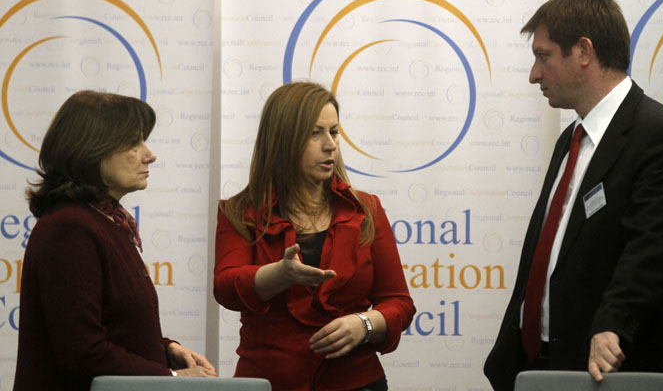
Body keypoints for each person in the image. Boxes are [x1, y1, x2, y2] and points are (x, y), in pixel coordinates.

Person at [484, 0, 663, 391]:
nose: (534, 74)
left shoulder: (660, 136)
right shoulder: (571, 139)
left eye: (543, 56)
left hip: (609, 371)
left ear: (584, 52)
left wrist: (612, 325)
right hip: (540, 365)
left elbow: (652, 250)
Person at [214, 81, 415, 390]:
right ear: (283, 139)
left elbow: (398, 302)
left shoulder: (367, 209)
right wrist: (281, 274)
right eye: (314, 133)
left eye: (333, 132)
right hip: (270, 382)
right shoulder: (240, 212)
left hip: (357, 382)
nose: (330, 145)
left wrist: (363, 324)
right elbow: (226, 287)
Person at [13, 90, 217, 390]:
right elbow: (83, 354)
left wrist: (167, 350)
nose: (150, 154)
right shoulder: (70, 229)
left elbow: (116, 328)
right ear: (92, 151)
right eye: (134, 143)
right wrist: (171, 379)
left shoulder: (104, 222)